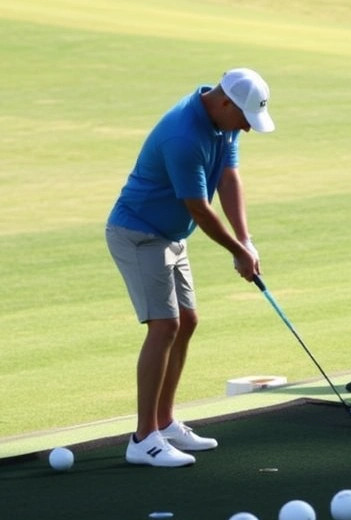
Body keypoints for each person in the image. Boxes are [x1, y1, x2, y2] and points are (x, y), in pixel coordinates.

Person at [105, 68, 274, 467]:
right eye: (245, 120)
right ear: (224, 103)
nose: (247, 130)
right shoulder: (184, 136)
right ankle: (143, 438)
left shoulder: (222, 123)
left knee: (187, 320)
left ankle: (164, 423)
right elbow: (198, 207)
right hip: (139, 232)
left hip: (170, 235)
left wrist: (245, 239)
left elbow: (229, 178)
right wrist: (236, 251)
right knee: (164, 326)